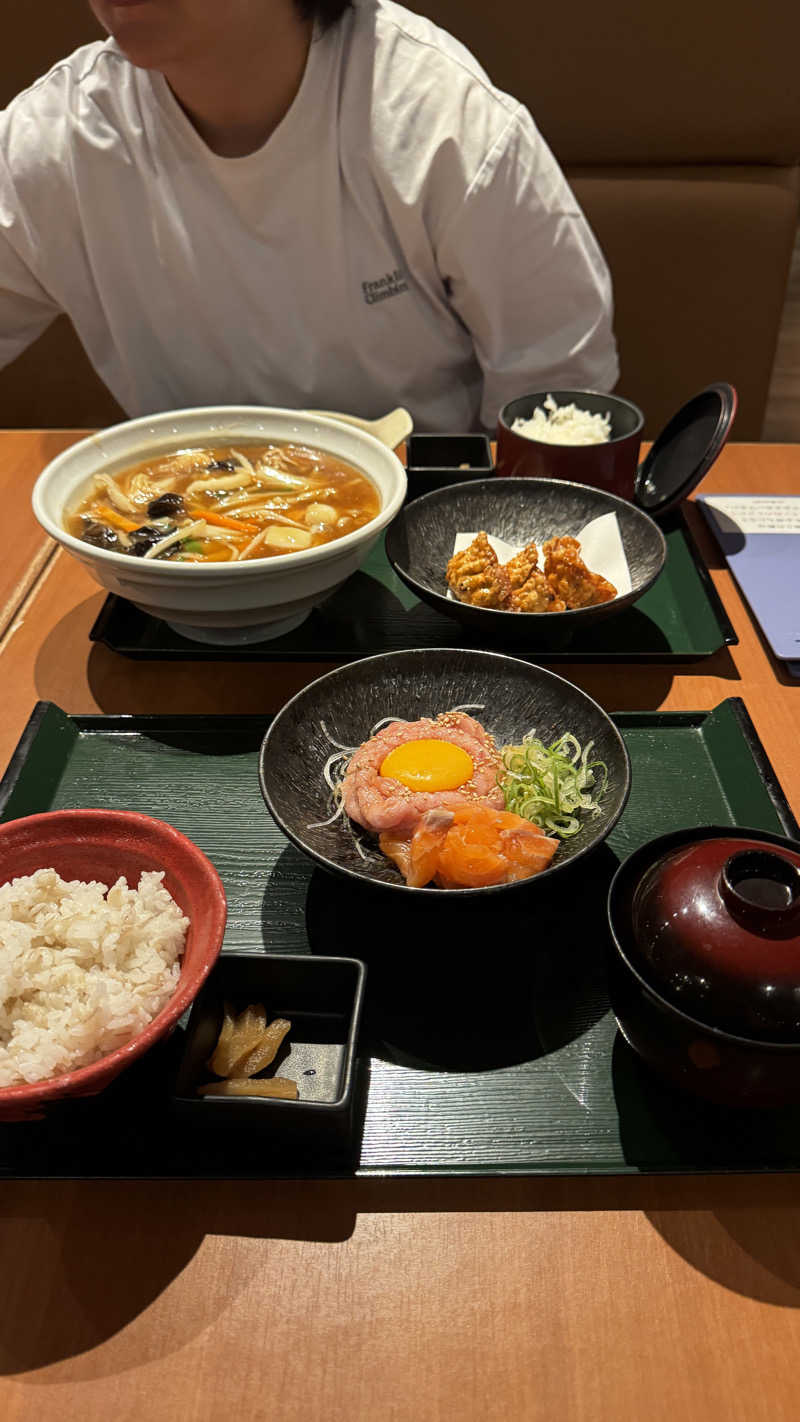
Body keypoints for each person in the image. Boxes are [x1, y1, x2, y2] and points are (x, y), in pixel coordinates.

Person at [0, 0, 618, 431]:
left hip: (422, 542)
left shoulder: (439, 123)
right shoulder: (60, 137)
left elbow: (558, 402)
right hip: (178, 548)